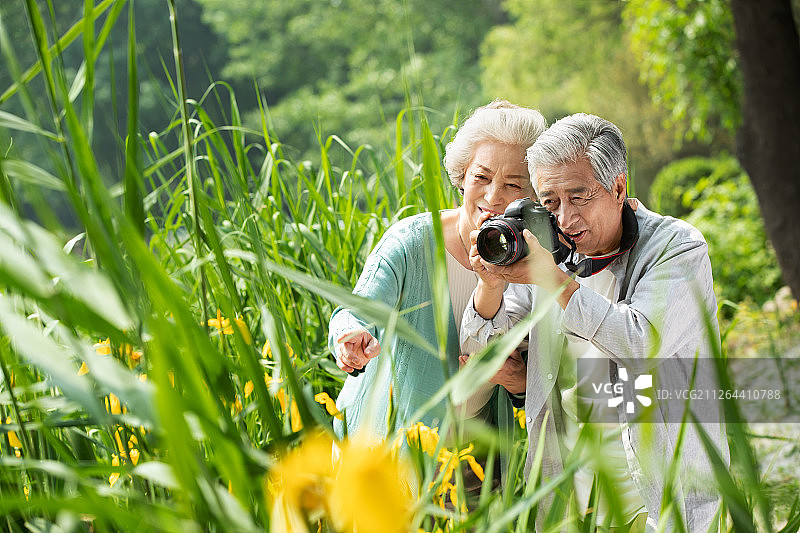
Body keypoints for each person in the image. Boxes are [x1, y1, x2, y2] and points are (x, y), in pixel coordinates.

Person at [461, 113, 728, 531]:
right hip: (570, 503)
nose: (565, 219)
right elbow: (481, 354)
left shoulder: (677, 248)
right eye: (550, 202)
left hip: (661, 501)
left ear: (619, 187)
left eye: (579, 197)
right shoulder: (548, 252)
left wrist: (552, 281)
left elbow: (641, 343)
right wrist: (491, 283)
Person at [328, 101, 546, 449]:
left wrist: (521, 381)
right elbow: (358, 309)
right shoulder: (411, 242)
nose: (493, 196)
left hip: (478, 456)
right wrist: (350, 336)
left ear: (533, 195)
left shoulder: (537, 259)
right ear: (462, 176)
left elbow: (549, 366)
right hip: (393, 452)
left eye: (513, 185)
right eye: (482, 177)